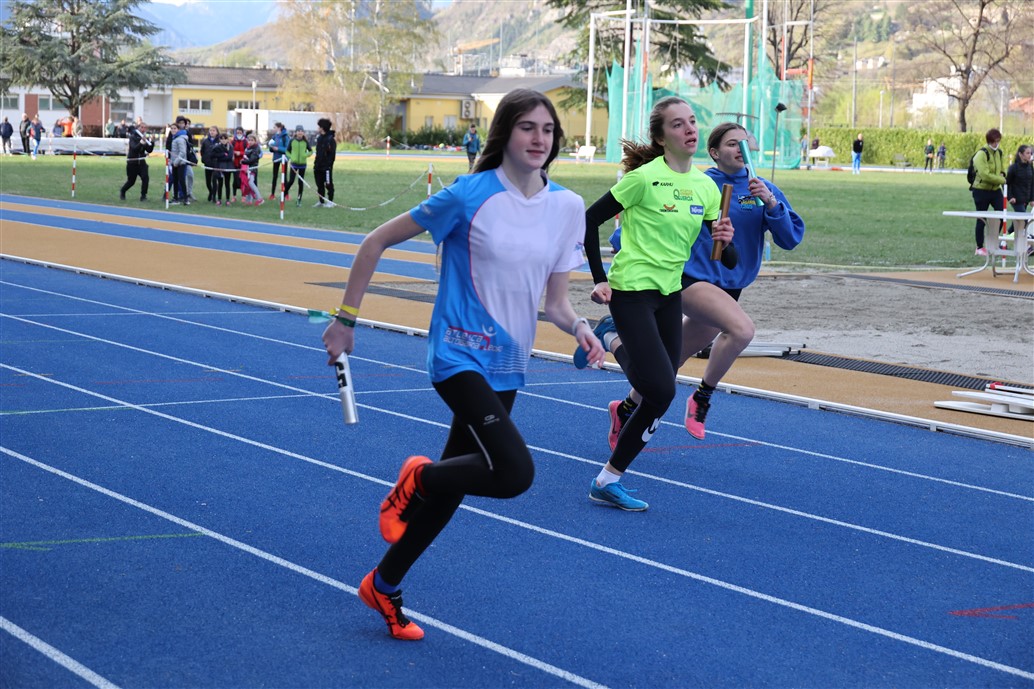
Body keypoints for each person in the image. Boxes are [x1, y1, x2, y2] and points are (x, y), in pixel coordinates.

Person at [321, 88, 604, 641]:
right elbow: (375, 242)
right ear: (506, 133)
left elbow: (555, 303)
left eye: (548, 129)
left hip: (509, 361)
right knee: (514, 473)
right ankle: (416, 476)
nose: (539, 138)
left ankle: (384, 584)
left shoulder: (567, 207)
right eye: (527, 127)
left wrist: (580, 327)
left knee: (452, 487)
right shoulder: (468, 195)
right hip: (458, 353)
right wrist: (345, 319)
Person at [586, 122, 805, 455]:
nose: (739, 150)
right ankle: (702, 397)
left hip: (729, 288)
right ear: (714, 153)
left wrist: (772, 204)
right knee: (742, 330)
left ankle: (625, 408)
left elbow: (790, 240)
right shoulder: (698, 183)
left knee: (668, 364)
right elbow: (646, 223)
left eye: (744, 144)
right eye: (731, 144)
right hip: (689, 279)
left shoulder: (762, 189)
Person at [574, 96, 733, 511]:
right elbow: (588, 220)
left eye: (692, 121)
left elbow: (726, 259)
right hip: (630, 292)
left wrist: (726, 240)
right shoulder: (643, 179)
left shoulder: (705, 186)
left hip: (668, 295)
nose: (690, 129)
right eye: (678, 124)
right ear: (662, 138)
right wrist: (599, 278)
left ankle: (607, 480)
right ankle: (607, 479)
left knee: (659, 390)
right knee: (661, 389)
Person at [970, 128, 1007, 256]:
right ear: (989, 141)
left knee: (1002, 215)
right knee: (981, 218)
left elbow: (1001, 169)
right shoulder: (981, 154)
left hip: (995, 190)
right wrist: (1001, 179)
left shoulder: (999, 153)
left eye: (998, 141)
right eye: (994, 142)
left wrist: (1003, 175)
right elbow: (985, 175)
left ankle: (993, 241)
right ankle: (979, 247)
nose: (996, 144)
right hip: (981, 190)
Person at [119, 121, 154, 201]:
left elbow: (149, 150)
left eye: (145, 128)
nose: (143, 129)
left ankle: (143, 196)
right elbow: (135, 149)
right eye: (141, 127)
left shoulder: (144, 138)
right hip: (132, 163)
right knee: (131, 181)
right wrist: (141, 142)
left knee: (145, 178)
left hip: (141, 163)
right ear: (138, 128)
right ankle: (123, 190)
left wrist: (152, 142)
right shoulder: (133, 137)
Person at [1005, 144, 1033, 236]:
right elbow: (1006, 184)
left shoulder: (1030, 167)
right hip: (1016, 200)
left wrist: (1032, 199)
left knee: (1018, 221)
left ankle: (1004, 239)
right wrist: (1010, 197)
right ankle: (1025, 239)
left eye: (1030, 153)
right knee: (1024, 220)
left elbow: (1032, 183)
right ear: (1021, 154)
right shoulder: (1013, 168)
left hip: (1025, 199)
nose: (1030, 155)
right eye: (1027, 153)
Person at [283, 125, 312, 206]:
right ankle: (283, 196)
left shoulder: (305, 142)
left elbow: (311, 151)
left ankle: (299, 200)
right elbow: (287, 151)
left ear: (303, 133)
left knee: (300, 182)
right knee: (291, 181)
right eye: (298, 131)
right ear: (295, 132)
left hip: (302, 165)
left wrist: (306, 155)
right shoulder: (292, 141)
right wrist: (291, 157)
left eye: (301, 131)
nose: (300, 132)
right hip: (294, 165)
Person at [313, 117, 336, 207]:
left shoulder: (330, 140)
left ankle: (330, 201)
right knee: (319, 184)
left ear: (322, 128)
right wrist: (316, 164)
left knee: (328, 184)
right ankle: (321, 201)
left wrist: (328, 165)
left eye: (319, 127)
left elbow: (332, 155)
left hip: (326, 167)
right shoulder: (319, 138)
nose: (318, 128)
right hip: (318, 166)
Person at [267, 122, 290, 199]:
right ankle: (272, 194)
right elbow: (271, 148)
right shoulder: (275, 136)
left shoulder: (285, 136)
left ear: (279, 127)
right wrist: (271, 148)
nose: (273, 129)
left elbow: (287, 149)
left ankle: (286, 194)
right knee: (274, 176)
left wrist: (278, 149)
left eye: (275, 127)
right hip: (276, 158)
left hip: (284, 159)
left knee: (284, 176)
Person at [240, 133, 264, 205]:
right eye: (249, 140)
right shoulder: (247, 148)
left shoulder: (256, 149)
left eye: (252, 140)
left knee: (251, 182)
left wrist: (243, 161)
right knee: (247, 183)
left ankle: (259, 198)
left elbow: (252, 160)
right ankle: (249, 200)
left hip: (252, 168)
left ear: (255, 141)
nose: (250, 142)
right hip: (247, 168)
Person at [169, 121, 190, 205]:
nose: (173, 130)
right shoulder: (174, 138)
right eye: (172, 128)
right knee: (175, 180)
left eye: (175, 128)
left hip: (180, 163)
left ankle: (186, 199)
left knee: (181, 181)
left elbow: (182, 152)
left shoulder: (180, 139)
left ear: (178, 129)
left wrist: (176, 162)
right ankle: (175, 198)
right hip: (174, 163)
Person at [200, 125, 221, 202]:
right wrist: (204, 159)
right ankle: (211, 192)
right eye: (210, 130)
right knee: (208, 181)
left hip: (216, 164)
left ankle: (214, 197)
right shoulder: (205, 141)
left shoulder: (219, 141)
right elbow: (202, 151)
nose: (212, 132)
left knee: (214, 180)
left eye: (213, 130)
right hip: (208, 163)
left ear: (217, 132)